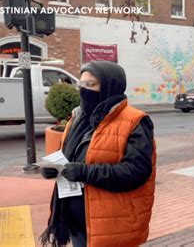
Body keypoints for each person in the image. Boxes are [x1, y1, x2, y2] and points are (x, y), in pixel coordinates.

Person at [39, 61, 156, 247]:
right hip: (78, 221)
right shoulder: (78, 117)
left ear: (111, 85)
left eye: (91, 84)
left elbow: (137, 171)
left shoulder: (135, 121)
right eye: (81, 84)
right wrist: (53, 167)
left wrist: (85, 172)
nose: (83, 90)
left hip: (111, 225)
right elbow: (70, 154)